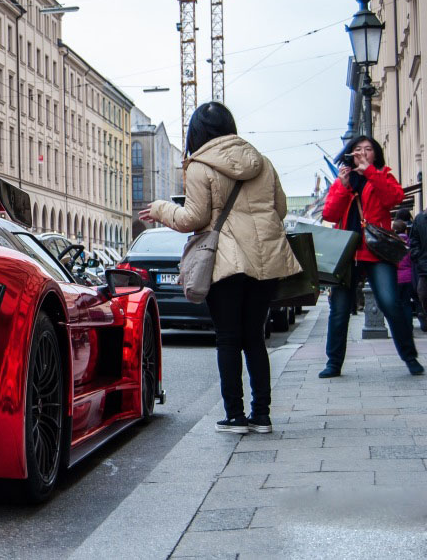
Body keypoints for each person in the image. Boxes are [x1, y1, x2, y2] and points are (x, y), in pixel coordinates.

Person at [140, 102, 300, 435]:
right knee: (254, 337)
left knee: (228, 339)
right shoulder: (262, 162)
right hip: (264, 263)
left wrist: (159, 209)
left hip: (225, 263)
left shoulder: (200, 166)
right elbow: (280, 209)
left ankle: (235, 416)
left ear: (196, 132)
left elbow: (192, 219)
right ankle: (262, 415)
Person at [320, 136, 423, 377]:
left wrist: (371, 174)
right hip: (348, 252)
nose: (363, 153)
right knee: (340, 308)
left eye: (368, 149)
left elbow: (394, 199)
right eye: (358, 149)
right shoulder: (343, 179)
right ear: (350, 154)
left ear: (375, 155)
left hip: (376, 250)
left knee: (390, 302)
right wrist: (344, 186)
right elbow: (330, 213)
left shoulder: (382, 175)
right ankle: (333, 363)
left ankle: (410, 357)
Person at [394, 219, 416, 330]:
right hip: (409, 277)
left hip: (396, 278)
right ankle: (409, 328)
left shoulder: (392, 242)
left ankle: (400, 329)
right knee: (407, 304)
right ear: (406, 230)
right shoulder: (410, 242)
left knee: (397, 305)